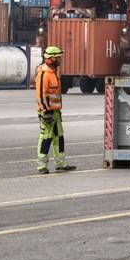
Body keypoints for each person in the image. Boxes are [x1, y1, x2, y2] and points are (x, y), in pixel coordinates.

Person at [35, 46, 75, 174]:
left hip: (56, 112)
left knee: (59, 138)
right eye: (58, 57)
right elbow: (41, 95)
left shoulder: (54, 72)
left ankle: (60, 164)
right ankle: (41, 166)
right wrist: (46, 111)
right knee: (46, 138)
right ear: (51, 58)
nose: (60, 60)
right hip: (47, 113)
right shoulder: (44, 74)